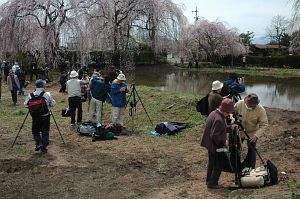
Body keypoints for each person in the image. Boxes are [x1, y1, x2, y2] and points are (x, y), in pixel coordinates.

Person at [201, 98, 235, 189]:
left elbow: (220, 128)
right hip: (216, 146)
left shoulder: (214, 113)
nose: (229, 114)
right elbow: (215, 135)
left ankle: (209, 180)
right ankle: (212, 183)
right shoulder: (219, 119)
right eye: (229, 112)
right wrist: (224, 141)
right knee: (219, 164)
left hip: (209, 144)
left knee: (212, 162)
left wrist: (230, 128)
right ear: (226, 111)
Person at [235, 93, 268, 169]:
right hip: (240, 132)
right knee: (236, 149)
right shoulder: (240, 103)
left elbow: (264, 124)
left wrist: (256, 135)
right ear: (246, 101)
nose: (251, 106)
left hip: (252, 133)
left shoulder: (261, 110)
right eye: (250, 104)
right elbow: (232, 114)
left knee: (252, 150)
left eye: (254, 105)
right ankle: (236, 165)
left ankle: (251, 166)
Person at [24, 79, 56, 153]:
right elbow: (53, 104)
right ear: (43, 86)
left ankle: (38, 143)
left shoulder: (30, 95)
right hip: (45, 116)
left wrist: (33, 108)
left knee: (35, 131)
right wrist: (48, 106)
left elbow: (25, 104)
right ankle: (44, 147)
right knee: (45, 131)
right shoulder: (47, 94)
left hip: (35, 117)